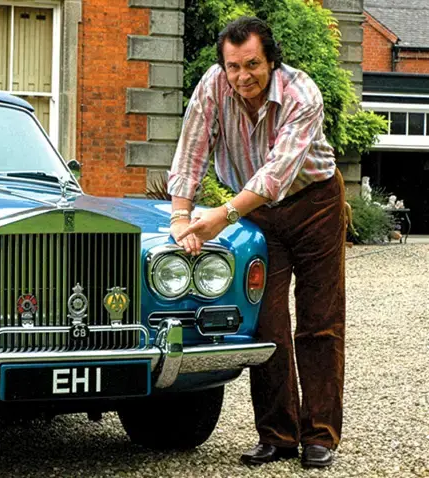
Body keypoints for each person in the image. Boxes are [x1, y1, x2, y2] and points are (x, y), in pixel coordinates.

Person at [167, 17, 346, 469]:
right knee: (265, 323)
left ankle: (320, 435)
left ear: (271, 60)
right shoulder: (212, 86)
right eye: (233, 66)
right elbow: (192, 151)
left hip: (314, 202)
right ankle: (278, 435)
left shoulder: (302, 94)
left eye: (252, 65)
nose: (243, 76)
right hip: (258, 212)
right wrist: (180, 216)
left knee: (319, 321)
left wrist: (223, 217)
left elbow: (277, 173)